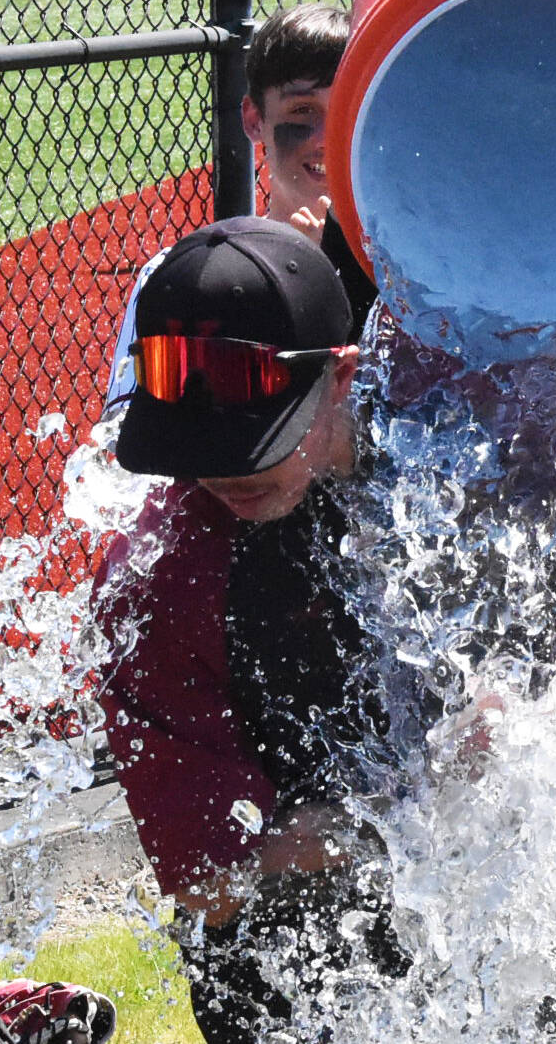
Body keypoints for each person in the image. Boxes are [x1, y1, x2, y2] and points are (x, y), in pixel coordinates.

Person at [94, 217, 414, 1044]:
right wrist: (410, 810)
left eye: (252, 442)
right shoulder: (158, 582)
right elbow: (208, 883)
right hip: (284, 964)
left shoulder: (442, 466)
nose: (224, 471)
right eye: (194, 445)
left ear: (342, 378)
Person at [103, 3, 377, 412]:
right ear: (253, 119)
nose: (328, 136)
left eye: (347, 110)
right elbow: (124, 434)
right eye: (303, 110)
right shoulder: (188, 278)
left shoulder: (402, 277)